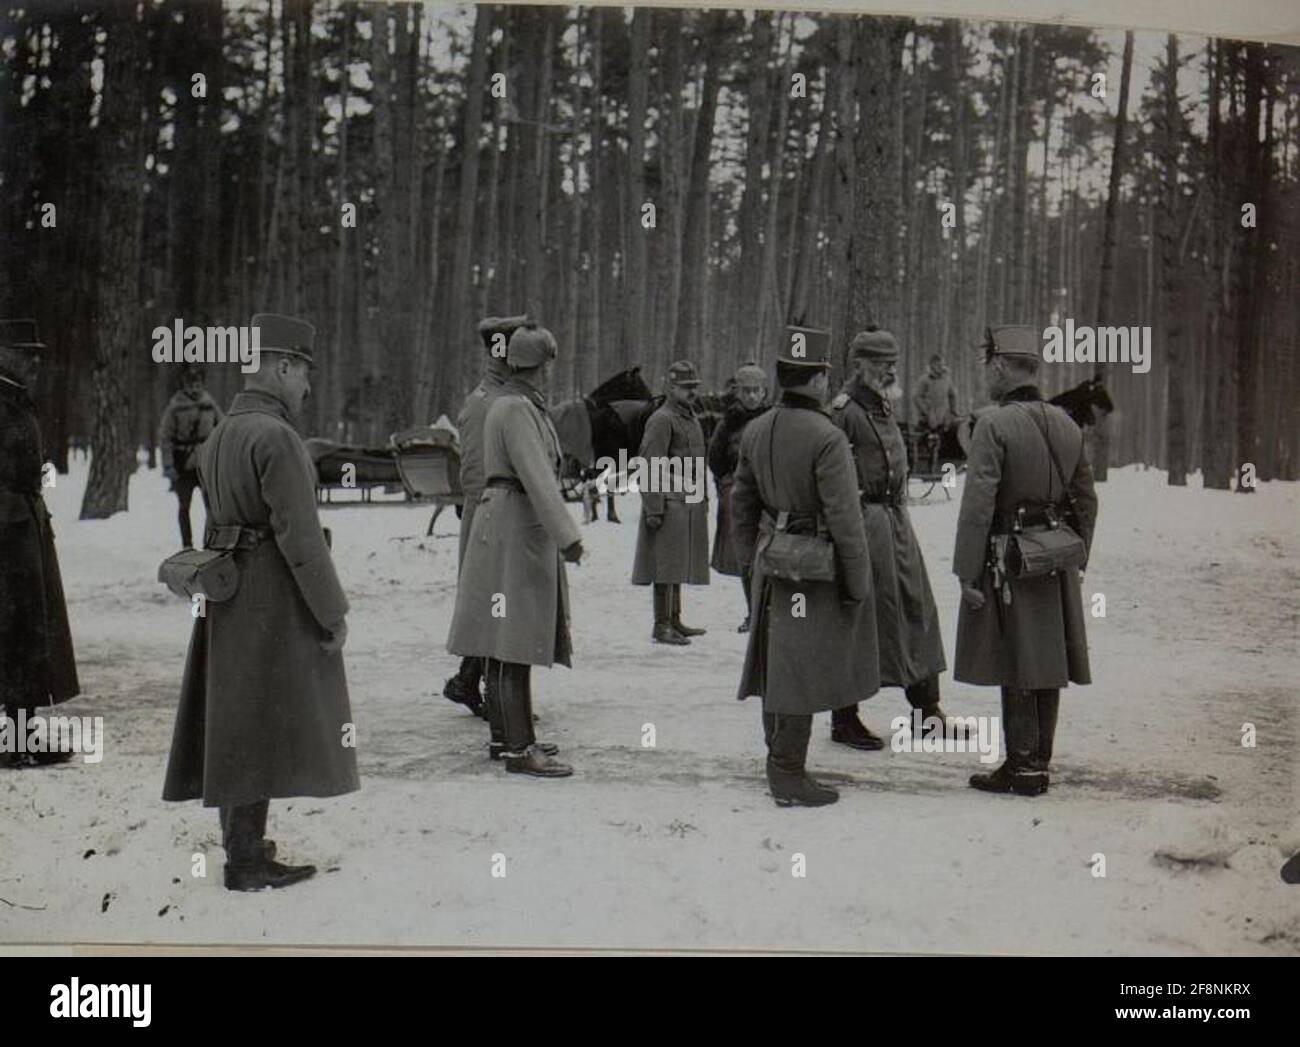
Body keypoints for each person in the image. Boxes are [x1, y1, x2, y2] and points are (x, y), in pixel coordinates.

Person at [163, 314, 358, 890]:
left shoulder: (223, 431)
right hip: (270, 596)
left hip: (229, 592)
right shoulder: (276, 437)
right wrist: (333, 611)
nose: (307, 387)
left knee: (235, 720)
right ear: (281, 366)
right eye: (303, 374)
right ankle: (246, 862)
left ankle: (242, 844)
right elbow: (300, 536)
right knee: (258, 724)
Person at [732, 327, 880, 807]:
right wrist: (858, 582)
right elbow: (846, 519)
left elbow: (741, 506)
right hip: (813, 568)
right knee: (798, 668)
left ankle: (779, 759)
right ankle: (788, 773)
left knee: (776, 663)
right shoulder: (828, 437)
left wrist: (748, 567)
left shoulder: (756, 430)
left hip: (771, 561)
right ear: (817, 380)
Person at [953, 324, 1098, 796]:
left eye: (987, 369)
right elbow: (1086, 500)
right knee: (1048, 658)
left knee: (1016, 657)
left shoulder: (994, 424)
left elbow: (977, 503)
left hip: (1007, 559)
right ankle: (1038, 763)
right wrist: (1077, 555)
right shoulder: (1068, 424)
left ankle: (1022, 767)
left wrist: (966, 570)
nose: (986, 380)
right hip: (1054, 559)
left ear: (1000, 366)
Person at [447, 324, 581, 777]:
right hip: (516, 527)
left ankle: (506, 738)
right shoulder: (518, 409)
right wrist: (569, 536)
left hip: (506, 523)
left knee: (504, 639)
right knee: (515, 640)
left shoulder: (509, 404)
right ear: (542, 367)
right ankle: (520, 748)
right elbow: (537, 476)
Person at [829, 328, 966, 751]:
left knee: (918, 608)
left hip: (896, 521)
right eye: (881, 363)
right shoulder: (845, 410)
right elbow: (833, 474)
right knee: (861, 616)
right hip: (864, 522)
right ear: (859, 365)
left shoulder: (884, 402)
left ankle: (927, 712)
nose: (891, 369)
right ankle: (843, 717)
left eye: (893, 362)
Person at [442, 314, 529, 721]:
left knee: (499, 608)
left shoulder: (501, 396)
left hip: (494, 519)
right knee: (494, 608)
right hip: (489, 521)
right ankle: (495, 701)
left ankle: (468, 680)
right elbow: (476, 473)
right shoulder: (487, 403)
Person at [0, 319, 79, 768]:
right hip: (6, 534)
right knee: (12, 633)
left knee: (30, 632)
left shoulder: (18, 400)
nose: (35, 361)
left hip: (25, 530)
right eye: (25, 352)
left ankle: (21, 736)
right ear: (2, 352)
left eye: (37, 354)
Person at [632, 360, 710, 645]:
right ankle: (661, 624)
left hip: (686, 502)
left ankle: (675, 619)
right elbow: (649, 464)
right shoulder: (662, 419)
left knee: (677, 564)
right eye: (685, 387)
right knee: (664, 567)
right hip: (667, 503)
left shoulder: (689, 417)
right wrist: (654, 507)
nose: (691, 392)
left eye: (693, 387)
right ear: (671, 387)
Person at [707, 363, 769, 632]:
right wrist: (726, 484)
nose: (752, 396)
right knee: (745, 555)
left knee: (768, 554)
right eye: (746, 391)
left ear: (764, 393)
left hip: (769, 495)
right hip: (739, 496)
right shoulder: (727, 423)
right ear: (738, 393)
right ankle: (752, 612)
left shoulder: (772, 419)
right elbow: (715, 458)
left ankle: (768, 612)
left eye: (756, 391)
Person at [158, 366, 224, 549]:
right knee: (184, 506)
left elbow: (223, 428)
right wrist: (169, 467)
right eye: (191, 384)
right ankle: (187, 545)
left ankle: (209, 543)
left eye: (198, 383)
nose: (195, 388)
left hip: (205, 463)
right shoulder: (175, 407)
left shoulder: (210, 404)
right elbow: (165, 439)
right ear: (184, 385)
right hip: (183, 463)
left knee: (212, 508)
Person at [913, 354, 958, 433]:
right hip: (927, 419)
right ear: (932, 366)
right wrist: (926, 411)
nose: (941, 367)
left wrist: (952, 410)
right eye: (938, 365)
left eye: (943, 365)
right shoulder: (925, 380)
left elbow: (952, 395)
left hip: (943, 418)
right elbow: (917, 397)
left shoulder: (947, 380)